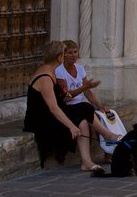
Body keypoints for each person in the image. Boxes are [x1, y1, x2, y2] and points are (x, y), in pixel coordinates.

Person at [22, 41, 104, 173]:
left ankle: (86, 162)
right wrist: (71, 126)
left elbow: (54, 99)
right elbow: (53, 108)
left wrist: (64, 97)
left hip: (48, 114)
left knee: (83, 117)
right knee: (83, 110)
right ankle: (110, 137)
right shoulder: (45, 77)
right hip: (42, 120)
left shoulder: (50, 71)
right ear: (59, 57)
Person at [55, 40, 123, 150]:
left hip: (80, 107)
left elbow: (88, 92)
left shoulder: (80, 69)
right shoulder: (59, 71)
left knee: (100, 116)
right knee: (87, 109)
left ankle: (108, 153)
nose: (74, 55)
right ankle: (108, 137)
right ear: (64, 55)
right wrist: (84, 87)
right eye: (70, 53)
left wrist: (100, 105)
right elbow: (66, 95)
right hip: (68, 107)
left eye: (75, 52)